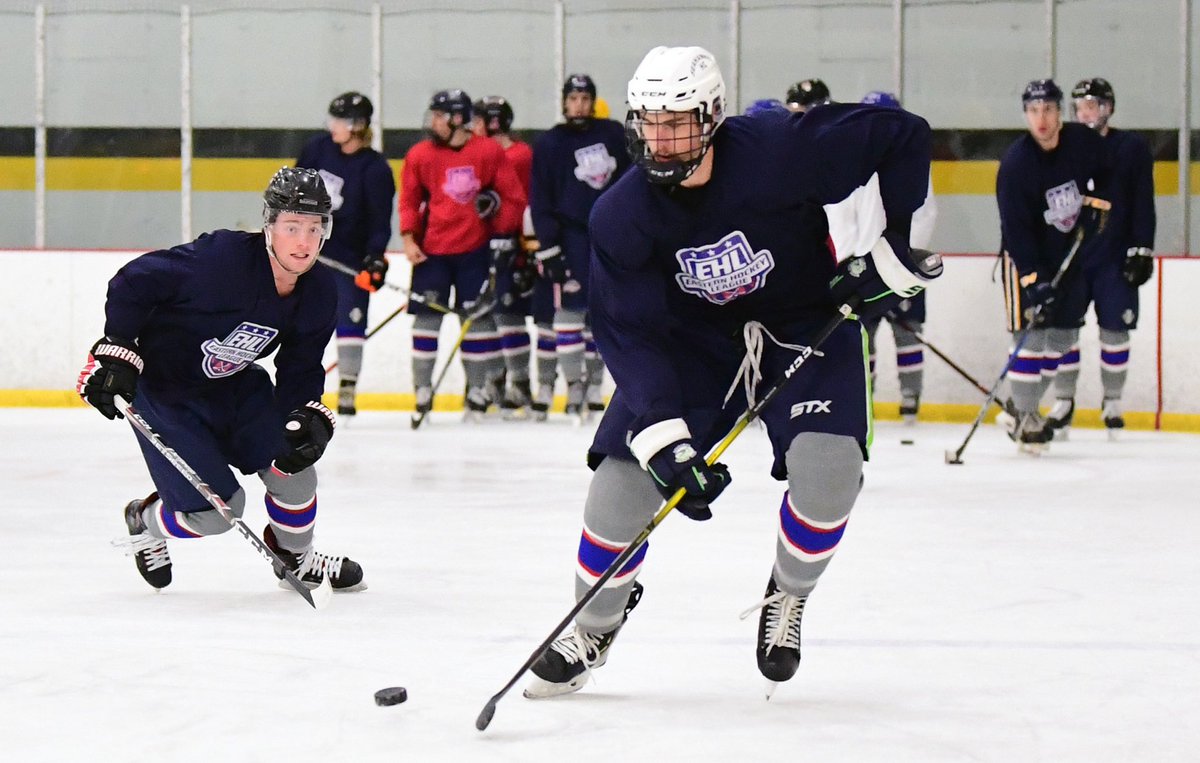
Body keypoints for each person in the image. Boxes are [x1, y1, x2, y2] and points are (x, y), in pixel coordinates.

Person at [523, 46, 940, 699]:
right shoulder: (622, 214)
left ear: (712, 116)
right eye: (649, 122)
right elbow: (628, 332)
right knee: (620, 487)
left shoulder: (781, 148)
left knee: (830, 472)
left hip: (804, 322)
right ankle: (594, 624)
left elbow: (903, 136)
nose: (660, 140)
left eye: (678, 122)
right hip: (693, 345)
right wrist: (666, 440)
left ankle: (788, 593)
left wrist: (893, 254)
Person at [77, 167, 365, 593]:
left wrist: (306, 414)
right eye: (291, 227)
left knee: (296, 471)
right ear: (269, 226)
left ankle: (296, 559)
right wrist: (119, 349)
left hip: (234, 386)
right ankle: (147, 520)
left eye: (313, 227)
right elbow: (133, 282)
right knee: (216, 514)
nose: (303, 242)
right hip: (167, 393)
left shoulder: (319, 290)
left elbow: (300, 367)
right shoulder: (221, 260)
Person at [995, 79, 1110, 451]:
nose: (1040, 119)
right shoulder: (1016, 165)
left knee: (1062, 338)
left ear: (1060, 112)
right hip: (1026, 261)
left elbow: (1108, 174)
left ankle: (1018, 404)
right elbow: (1016, 231)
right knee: (1031, 338)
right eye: (1032, 111)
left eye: (1047, 109)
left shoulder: (1083, 142)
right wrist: (1034, 279)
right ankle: (1027, 418)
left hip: (1069, 256)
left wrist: (1097, 205)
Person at [399, 89, 526, 419]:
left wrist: (499, 221)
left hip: (475, 252)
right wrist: (409, 238)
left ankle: (477, 390)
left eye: (439, 116)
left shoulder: (487, 151)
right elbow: (409, 200)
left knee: (477, 321)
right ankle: (423, 390)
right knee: (426, 321)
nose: (433, 122)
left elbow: (512, 198)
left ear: (457, 119)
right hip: (432, 253)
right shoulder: (420, 155)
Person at [1042, 78, 1155, 438]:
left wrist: (1142, 247)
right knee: (1064, 330)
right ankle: (1063, 402)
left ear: (1109, 107)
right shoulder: (1064, 147)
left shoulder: (1130, 147)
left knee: (1115, 329)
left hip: (1114, 254)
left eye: (1093, 105)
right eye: (1081, 106)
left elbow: (1142, 200)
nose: (1086, 112)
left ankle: (1113, 402)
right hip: (1072, 256)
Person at [828, 90, 938, 423]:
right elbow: (843, 218)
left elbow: (925, 214)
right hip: (863, 268)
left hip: (900, 266)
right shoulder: (853, 164)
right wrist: (848, 260)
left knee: (908, 332)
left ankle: (910, 395)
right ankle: (864, 394)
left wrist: (903, 264)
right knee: (862, 335)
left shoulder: (912, 165)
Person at [529, 73, 631, 418]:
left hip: (610, 235)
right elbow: (540, 198)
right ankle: (573, 384)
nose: (579, 105)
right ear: (563, 102)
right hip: (571, 237)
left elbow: (633, 182)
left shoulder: (613, 134)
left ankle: (594, 386)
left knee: (604, 315)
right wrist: (548, 247)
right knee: (570, 313)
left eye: (585, 98)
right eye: (573, 99)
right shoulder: (549, 144)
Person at [296, 91, 396, 417]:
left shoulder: (375, 169)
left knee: (350, 319)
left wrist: (375, 258)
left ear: (356, 126)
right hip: (308, 251)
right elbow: (292, 192)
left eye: (338, 121)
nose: (331, 126)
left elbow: (380, 222)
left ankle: (348, 387)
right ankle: (296, 383)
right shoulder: (317, 149)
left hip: (349, 259)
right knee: (301, 321)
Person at [473, 95, 541, 416]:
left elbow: (522, 202)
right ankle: (494, 379)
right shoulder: (480, 154)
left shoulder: (519, 155)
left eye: (477, 120)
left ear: (493, 122)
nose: (472, 127)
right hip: (481, 243)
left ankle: (520, 382)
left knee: (508, 313)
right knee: (486, 313)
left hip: (512, 244)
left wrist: (525, 246)